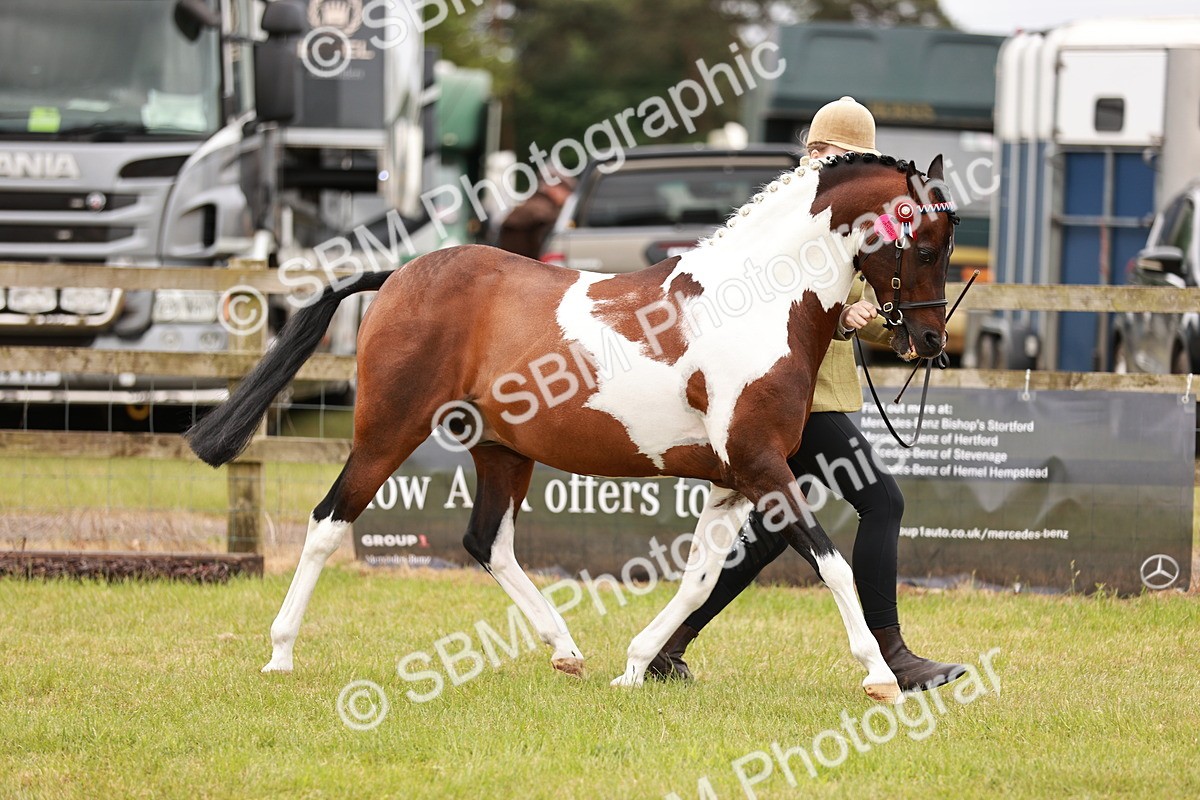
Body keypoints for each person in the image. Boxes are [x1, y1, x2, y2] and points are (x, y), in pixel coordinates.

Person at [647, 97, 966, 692]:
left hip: (822, 391)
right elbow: (769, 293)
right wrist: (842, 316)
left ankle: (668, 645)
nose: (831, 161)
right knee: (882, 502)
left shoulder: (857, 216)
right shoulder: (792, 212)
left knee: (773, 529)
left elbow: (873, 292)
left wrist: (897, 331)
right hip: (788, 394)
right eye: (826, 150)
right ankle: (892, 654)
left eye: (846, 153)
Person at [494, 176, 574, 259]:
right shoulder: (541, 205)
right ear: (554, 189)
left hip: (517, 257)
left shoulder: (539, 203)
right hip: (519, 258)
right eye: (566, 191)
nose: (568, 195)